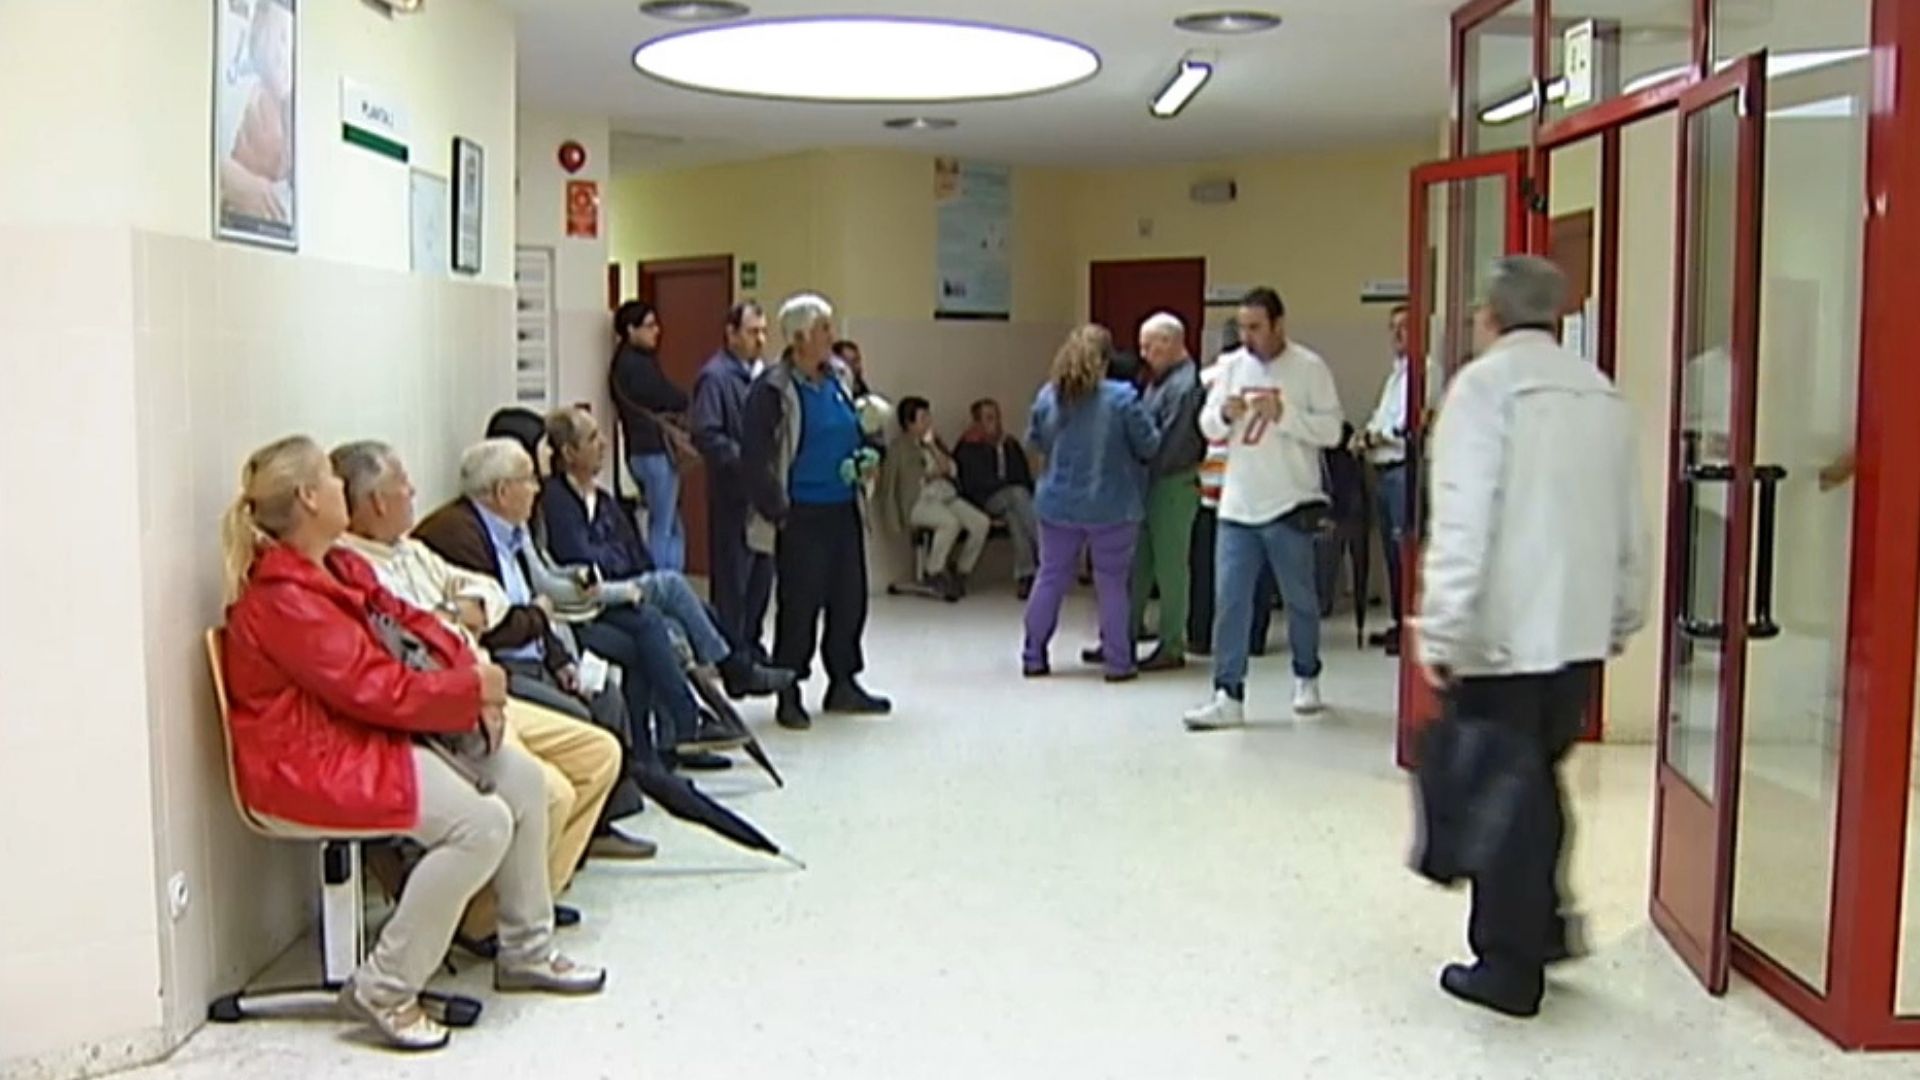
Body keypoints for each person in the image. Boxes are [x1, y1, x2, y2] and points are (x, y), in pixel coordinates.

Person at [219, 436, 605, 1052]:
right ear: (309, 497)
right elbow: (375, 689)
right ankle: (385, 987)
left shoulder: (340, 568)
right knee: (481, 825)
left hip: (365, 735)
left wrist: (474, 678)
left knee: (522, 779)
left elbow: (419, 624)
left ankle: (526, 950)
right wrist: (472, 690)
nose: (343, 487)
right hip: (312, 762)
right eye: (332, 479)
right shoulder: (283, 601)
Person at [1416, 256, 1650, 1018]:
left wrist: (1441, 627)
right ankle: (1543, 925)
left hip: (1503, 632)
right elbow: (1629, 517)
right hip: (1577, 631)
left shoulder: (1483, 389)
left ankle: (1508, 965)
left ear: (1489, 315)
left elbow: (1464, 519)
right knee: (1536, 778)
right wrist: (1624, 611)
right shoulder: (1601, 392)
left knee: (1505, 794)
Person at [330, 440, 645, 937]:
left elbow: (490, 594)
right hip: (449, 710)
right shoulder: (353, 566)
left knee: (599, 753)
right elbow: (415, 645)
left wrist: (458, 614)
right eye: (403, 485)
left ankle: (518, 904)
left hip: (485, 689)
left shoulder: (410, 550)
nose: (414, 491)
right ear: (376, 502)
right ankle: (492, 923)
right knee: (552, 793)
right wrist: (455, 616)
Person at [413, 439, 733, 774]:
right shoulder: (462, 536)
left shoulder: (516, 528)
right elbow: (506, 618)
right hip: (510, 662)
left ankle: (647, 763)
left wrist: (560, 659)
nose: (536, 488)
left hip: (547, 639)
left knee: (627, 663)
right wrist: (555, 611)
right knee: (589, 710)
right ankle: (694, 712)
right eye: (528, 479)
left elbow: (539, 591)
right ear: (502, 492)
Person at [540, 405, 796, 698]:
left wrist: (621, 560)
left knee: (686, 617)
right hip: (597, 595)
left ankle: (705, 701)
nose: (603, 444)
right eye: (592, 438)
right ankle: (735, 669)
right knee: (672, 585)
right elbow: (583, 556)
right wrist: (621, 561)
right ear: (569, 453)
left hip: (630, 583)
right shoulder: (556, 499)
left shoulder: (605, 501)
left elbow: (636, 551)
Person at [1184, 287, 1345, 730]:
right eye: (1242, 327)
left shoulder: (1309, 368)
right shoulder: (1231, 367)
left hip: (1290, 501)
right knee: (1230, 601)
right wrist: (1224, 416)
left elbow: (1332, 431)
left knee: (1300, 599)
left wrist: (1285, 415)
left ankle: (1306, 675)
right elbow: (1206, 425)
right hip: (1237, 504)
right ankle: (1228, 692)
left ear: (1278, 325)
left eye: (1256, 327)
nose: (1248, 336)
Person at [744, 293, 892, 730]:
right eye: (824, 328)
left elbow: (867, 424)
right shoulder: (772, 389)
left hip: (843, 507)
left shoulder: (841, 377)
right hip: (800, 514)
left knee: (850, 599)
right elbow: (755, 457)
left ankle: (843, 682)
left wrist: (871, 454)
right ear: (800, 338)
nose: (832, 336)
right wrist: (778, 510)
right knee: (800, 605)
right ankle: (788, 689)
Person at [1021, 325, 1161, 681]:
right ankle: (1118, 662)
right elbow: (1149, 445)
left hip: (1056, 503)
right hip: (1112, 505)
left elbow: (1035, 441)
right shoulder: (1122, 398)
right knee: (1111, 583)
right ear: (1105, 359)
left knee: (1050, 577)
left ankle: (1033, 656)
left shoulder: (1048, 396)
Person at [693, 301, 777, 667]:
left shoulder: (767, 377)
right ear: (731, 334)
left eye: (763, 331)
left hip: (766, 496)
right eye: (752, 331)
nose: (760, 339)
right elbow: (706, 433)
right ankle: (731, 652)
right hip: (733, 495)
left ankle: (753, 643)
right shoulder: (715, 378)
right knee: (733, 578)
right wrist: (746, 462)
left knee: (762, 574)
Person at [1125, 312, 1206, 672]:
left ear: (1171, 343)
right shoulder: (1161, 381)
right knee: (1139, 563)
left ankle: (1172, 644)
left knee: (1171, 568)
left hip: (1172, 482)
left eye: (1150, 347)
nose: (1143, 354)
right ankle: (1122, 635)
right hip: (1153, 481)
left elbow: (1169, 444)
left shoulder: (1184, 386)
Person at [1357, 304, 1439, 656]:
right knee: (1392, 552)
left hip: (1405, 469)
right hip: (1383, 470)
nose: (1397, 334)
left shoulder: (1426, 371)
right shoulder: (1396, 376)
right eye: (1393, 327)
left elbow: (1408, 425)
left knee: (1406, 548)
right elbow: (1380, 419)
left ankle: (1411, 624)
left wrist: (1375, 437)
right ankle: (1397, 621)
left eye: (1405, 326)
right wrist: (1364, 436)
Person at [876, 396, 993, 600]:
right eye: (922, 418)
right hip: (917, 501)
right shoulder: (899, 448)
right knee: (950, 522)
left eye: (928, 417)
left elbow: (952, 469)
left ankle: (961, 571)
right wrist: (892, 516)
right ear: (909, 423)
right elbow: (890, 483)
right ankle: (934, 571)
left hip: (945, 495)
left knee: (981, 523)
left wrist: (933, 447)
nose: (928, 422)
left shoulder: (935, 442)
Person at [608, 300, 690, 571]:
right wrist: (686, 399)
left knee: (669, 520)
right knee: (663, 524)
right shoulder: (634, 365)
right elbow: (663, 395)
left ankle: (671, 576)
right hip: (652, 451)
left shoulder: (626, 362)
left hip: (641, 451)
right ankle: (663, 580)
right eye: (649, 325)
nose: (657, 331)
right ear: (631, 330)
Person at [954, 398, 1039, 597]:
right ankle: (1047, 546)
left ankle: (1026, 575)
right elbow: (974, 484)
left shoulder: (1009, 444)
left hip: (1013, 502)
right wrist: (1008, 486)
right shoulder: (968, 447)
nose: (996, 423)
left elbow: (1024, 477)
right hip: (986, 501)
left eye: (997, 417)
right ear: (977, 422)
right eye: (989, 418)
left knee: (1014, 516)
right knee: (1017, 495)